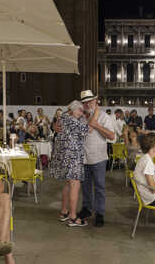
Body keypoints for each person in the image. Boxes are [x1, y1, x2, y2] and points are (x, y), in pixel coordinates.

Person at [77, 90, 115, 227]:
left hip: (99, 158)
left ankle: (100, 213)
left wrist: (97, 125)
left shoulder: (104, 116)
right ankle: (87, 208)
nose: (87, 104)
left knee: (99, 186)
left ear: (95, 101)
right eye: (85, 102)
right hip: (84, 158)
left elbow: (112, 136)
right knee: (85, 186)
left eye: (90, 101)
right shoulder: (79, 117)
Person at [50, 101, 90, 227]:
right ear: (74, 110)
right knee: (75, 185)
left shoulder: (63, 117)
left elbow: (55, 125)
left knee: (68, 184)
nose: (81, 113)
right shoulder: (73, 120)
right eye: (80, 111)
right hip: (72, 156)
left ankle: (64, 212)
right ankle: (73, 217)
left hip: (63, 156)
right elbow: (88, 129)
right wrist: (96, 113)